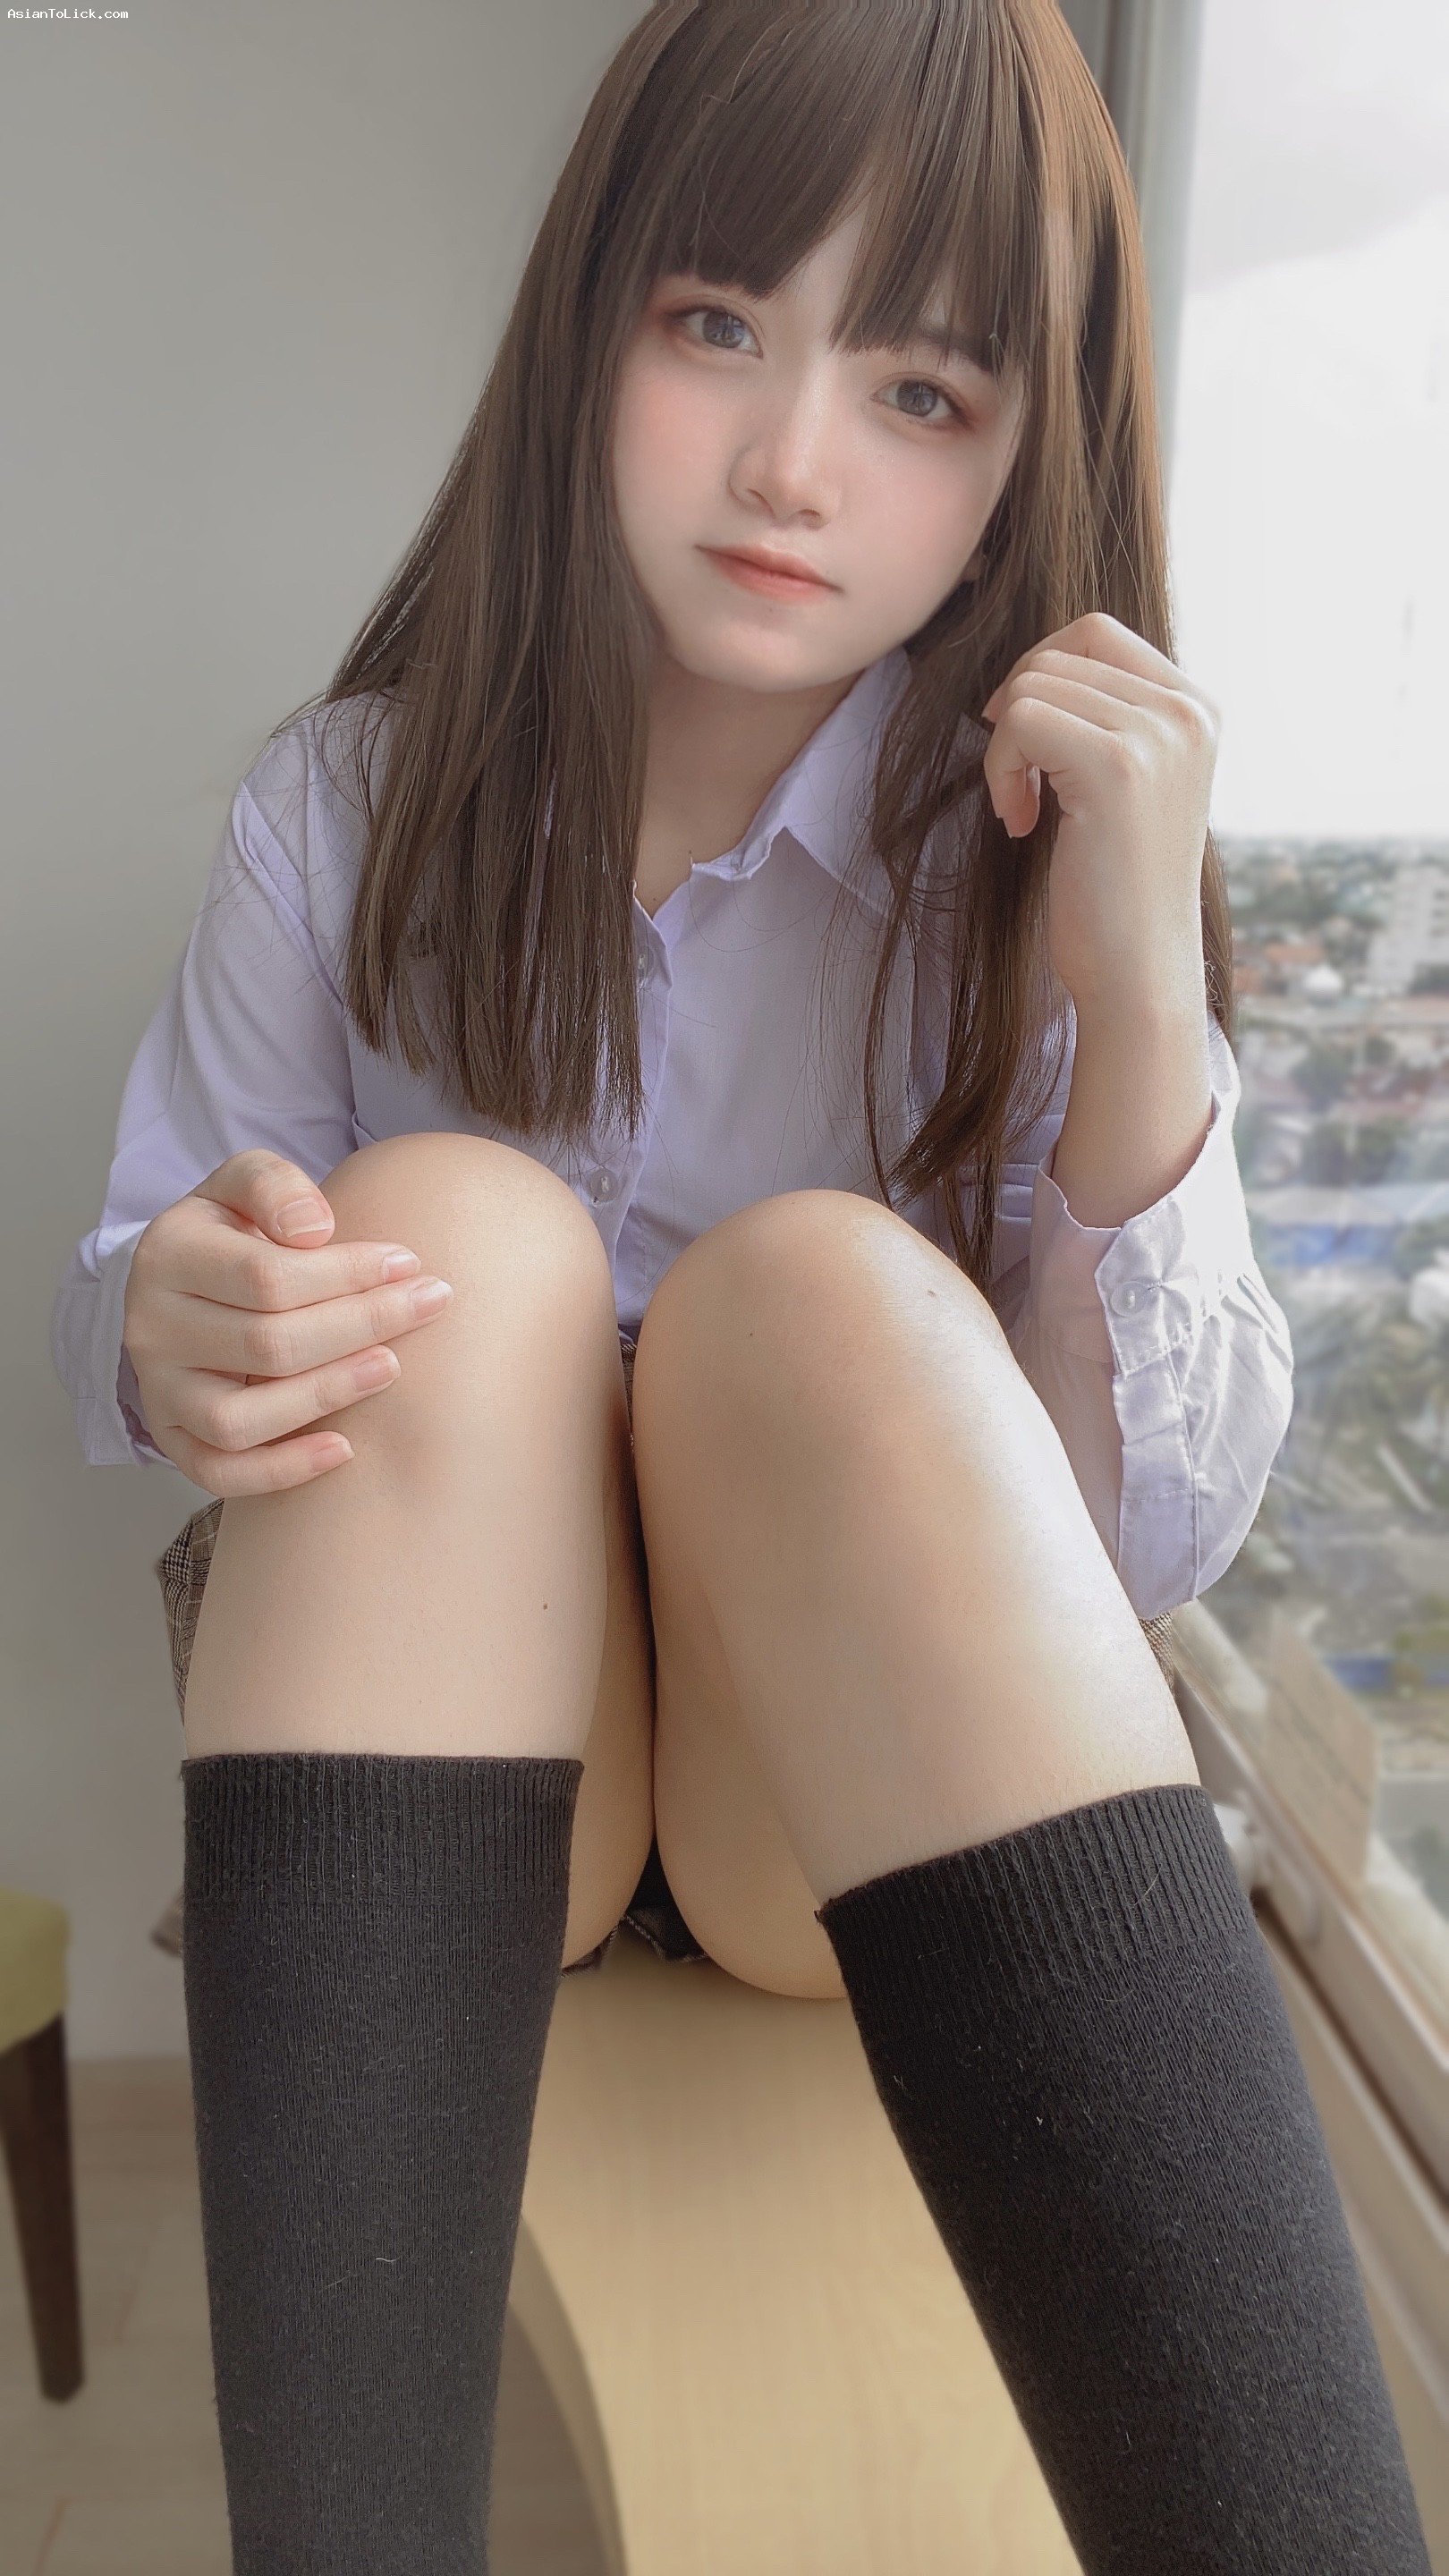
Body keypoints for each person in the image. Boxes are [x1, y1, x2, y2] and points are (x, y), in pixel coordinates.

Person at [49, 3, 1431, 2570]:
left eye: (918, 390)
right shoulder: (345, 806)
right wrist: (173, 1321)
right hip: (464, 1786)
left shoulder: (1025, 867)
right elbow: (147, 1285)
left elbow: (1139, 1558)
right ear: (588, 325)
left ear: (1022, 461)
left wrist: (1139, 996)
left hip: (839, 1827)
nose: (795, 463)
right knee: (451, 1233)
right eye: (718, 325)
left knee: (826, 1299)